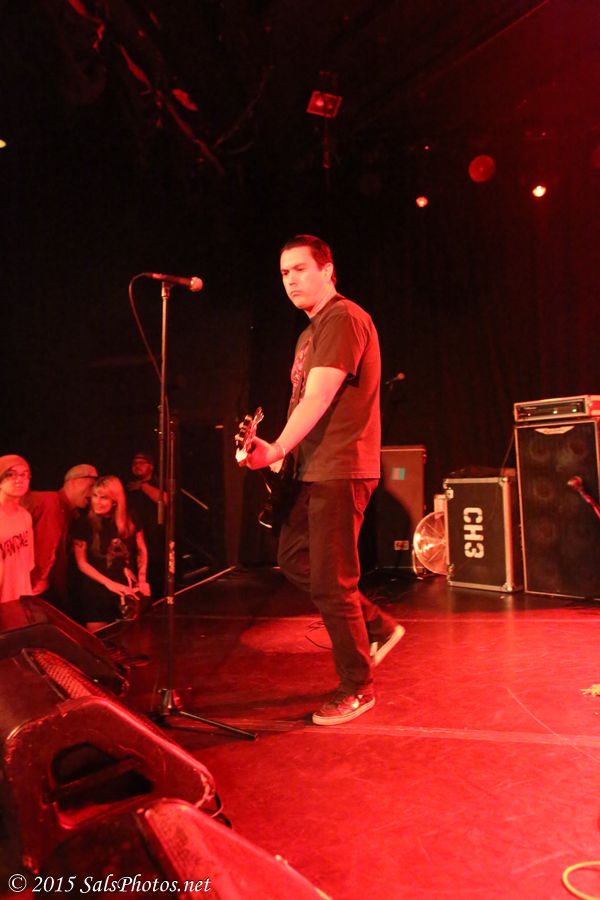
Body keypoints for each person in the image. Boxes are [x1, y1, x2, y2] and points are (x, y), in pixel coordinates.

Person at [244, 234, 405, 726]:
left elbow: (318, 397)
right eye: (284, 273)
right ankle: (376, 626)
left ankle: (358, 687)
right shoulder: (307, 334)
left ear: (327, 270)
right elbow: (302, 405)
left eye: (299, 269)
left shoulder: (343, 318)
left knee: (333, 582)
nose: (290, 280)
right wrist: (276, 456)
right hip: (312, 468)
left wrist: (278, 447)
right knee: (295, 560)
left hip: (340, 467)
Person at [72, 475, 150, 631]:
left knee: (132, 636)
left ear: (115, 501)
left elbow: (141, 549)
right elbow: (81, 563)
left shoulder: (130, 518)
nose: (97, 501)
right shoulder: (84, 523)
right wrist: (109, 584)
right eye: (95, 496)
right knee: (98, 637)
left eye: (104, 498)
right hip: (96, 590)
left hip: (126, 588)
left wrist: (142, 579)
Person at [23, 463, 98, 613]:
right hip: (32, 590)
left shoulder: (72, 514)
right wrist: (36, 579)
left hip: (47, 589)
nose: (93, 493)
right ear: (74, 482)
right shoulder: (49, 501)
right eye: (91, 485)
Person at [126, 451, 165, 597]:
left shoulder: (158, 482)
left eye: (141, 462)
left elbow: (165, 500)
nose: (137, 466)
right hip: (135, 534)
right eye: (134, 463)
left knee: (154, 569)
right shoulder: (129, 484)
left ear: (151, 466)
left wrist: (143, 486)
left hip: (154, 535)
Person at [0, 455, 34, 603]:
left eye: (24, 474)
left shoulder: (25, 516)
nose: (19, 479)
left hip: (20, 600)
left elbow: (28, 564)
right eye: (10, 474)